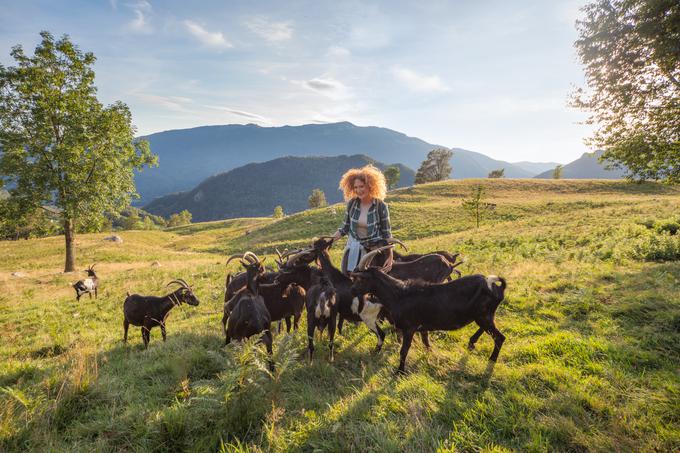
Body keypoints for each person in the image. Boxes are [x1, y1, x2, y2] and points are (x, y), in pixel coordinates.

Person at [331, 164, 393, 274]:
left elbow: (387, 235)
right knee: (346, 278)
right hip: (353, 249)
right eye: (355, 187)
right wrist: (328, 241)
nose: (358, 190)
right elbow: (344, 229)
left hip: (373, 253)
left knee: (367, 284)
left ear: (370, 185)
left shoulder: (381, 206)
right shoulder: (352, 204)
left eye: (361, 186)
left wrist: (390, 256)